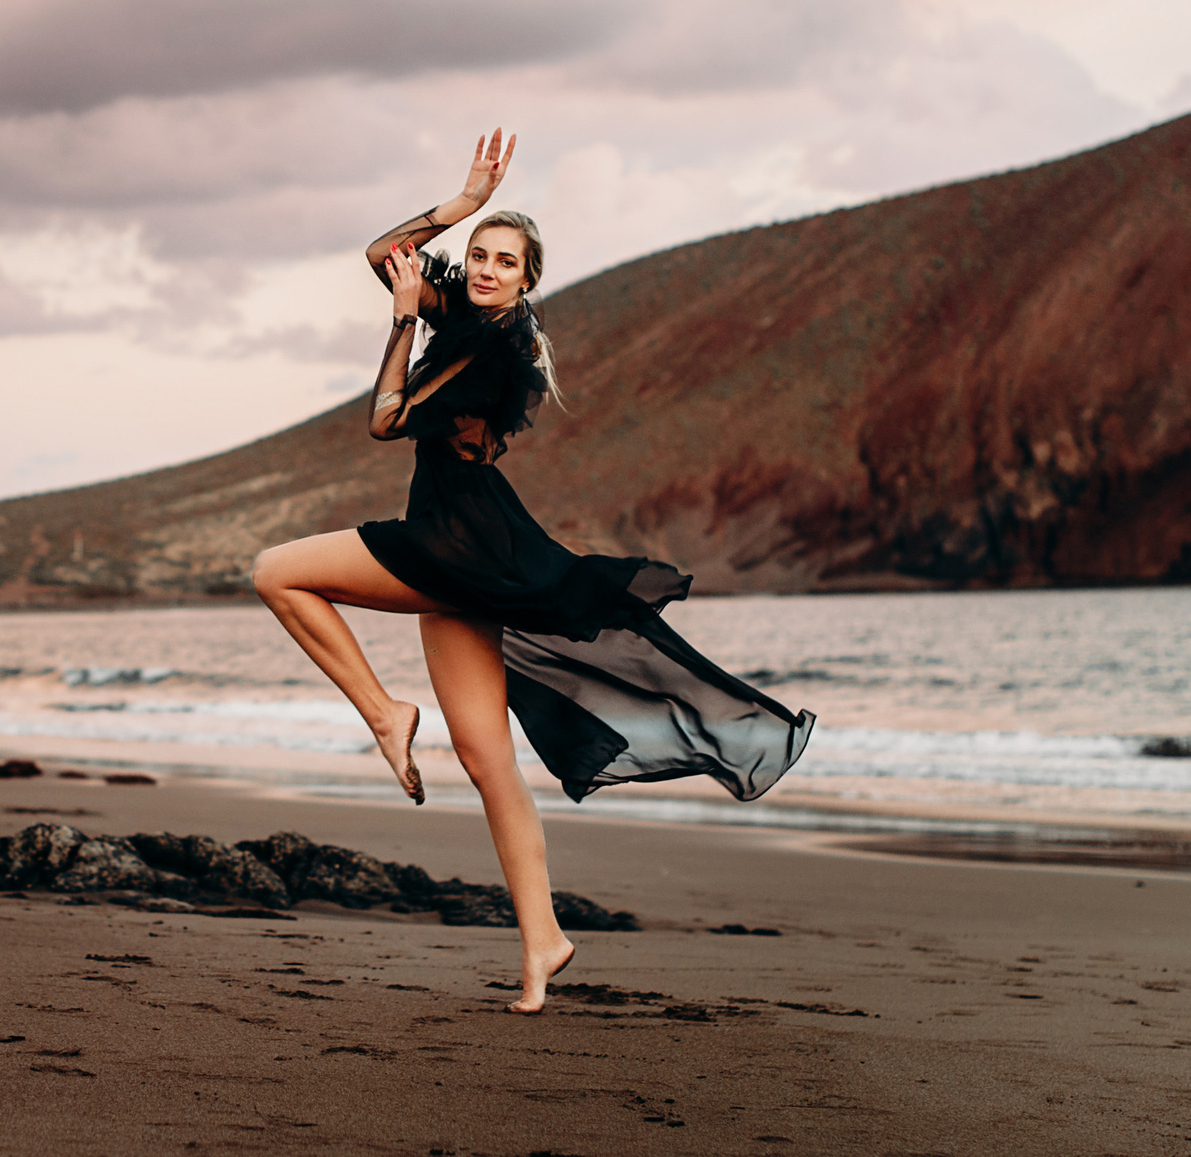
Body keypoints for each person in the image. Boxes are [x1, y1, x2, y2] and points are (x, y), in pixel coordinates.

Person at [251, 130, 816, 1013]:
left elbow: (386, 419)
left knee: (276, 570)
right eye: (476, 253)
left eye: (501, 259)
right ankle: (543, 939)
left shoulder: (497, 347)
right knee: (488, 762)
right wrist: (461, 202)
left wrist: (403, 318)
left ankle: (382, 710)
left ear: (527, 279)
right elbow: (382, 254)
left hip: (454, 544)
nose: (481, 266)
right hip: (469, 546)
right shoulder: (474, 319)